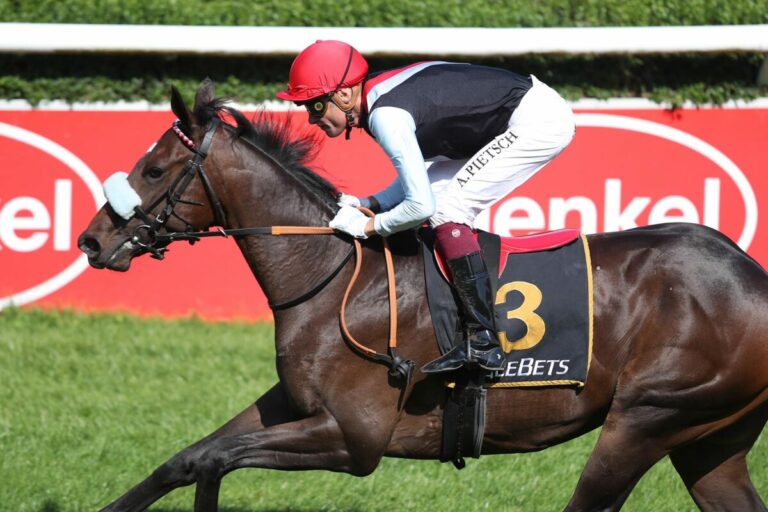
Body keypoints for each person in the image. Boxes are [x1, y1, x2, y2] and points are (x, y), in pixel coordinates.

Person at [276, 40, 575, 374]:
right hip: (508, 117)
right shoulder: (376, 100)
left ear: (344, 95)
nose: (311, 118)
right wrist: (370, 202)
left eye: (315, 105)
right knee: (439, 203)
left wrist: (367, 226)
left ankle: (484, 342)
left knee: (446, 210)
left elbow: (420, 206)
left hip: (536, 121)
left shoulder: (386, 115)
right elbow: (419, 180)